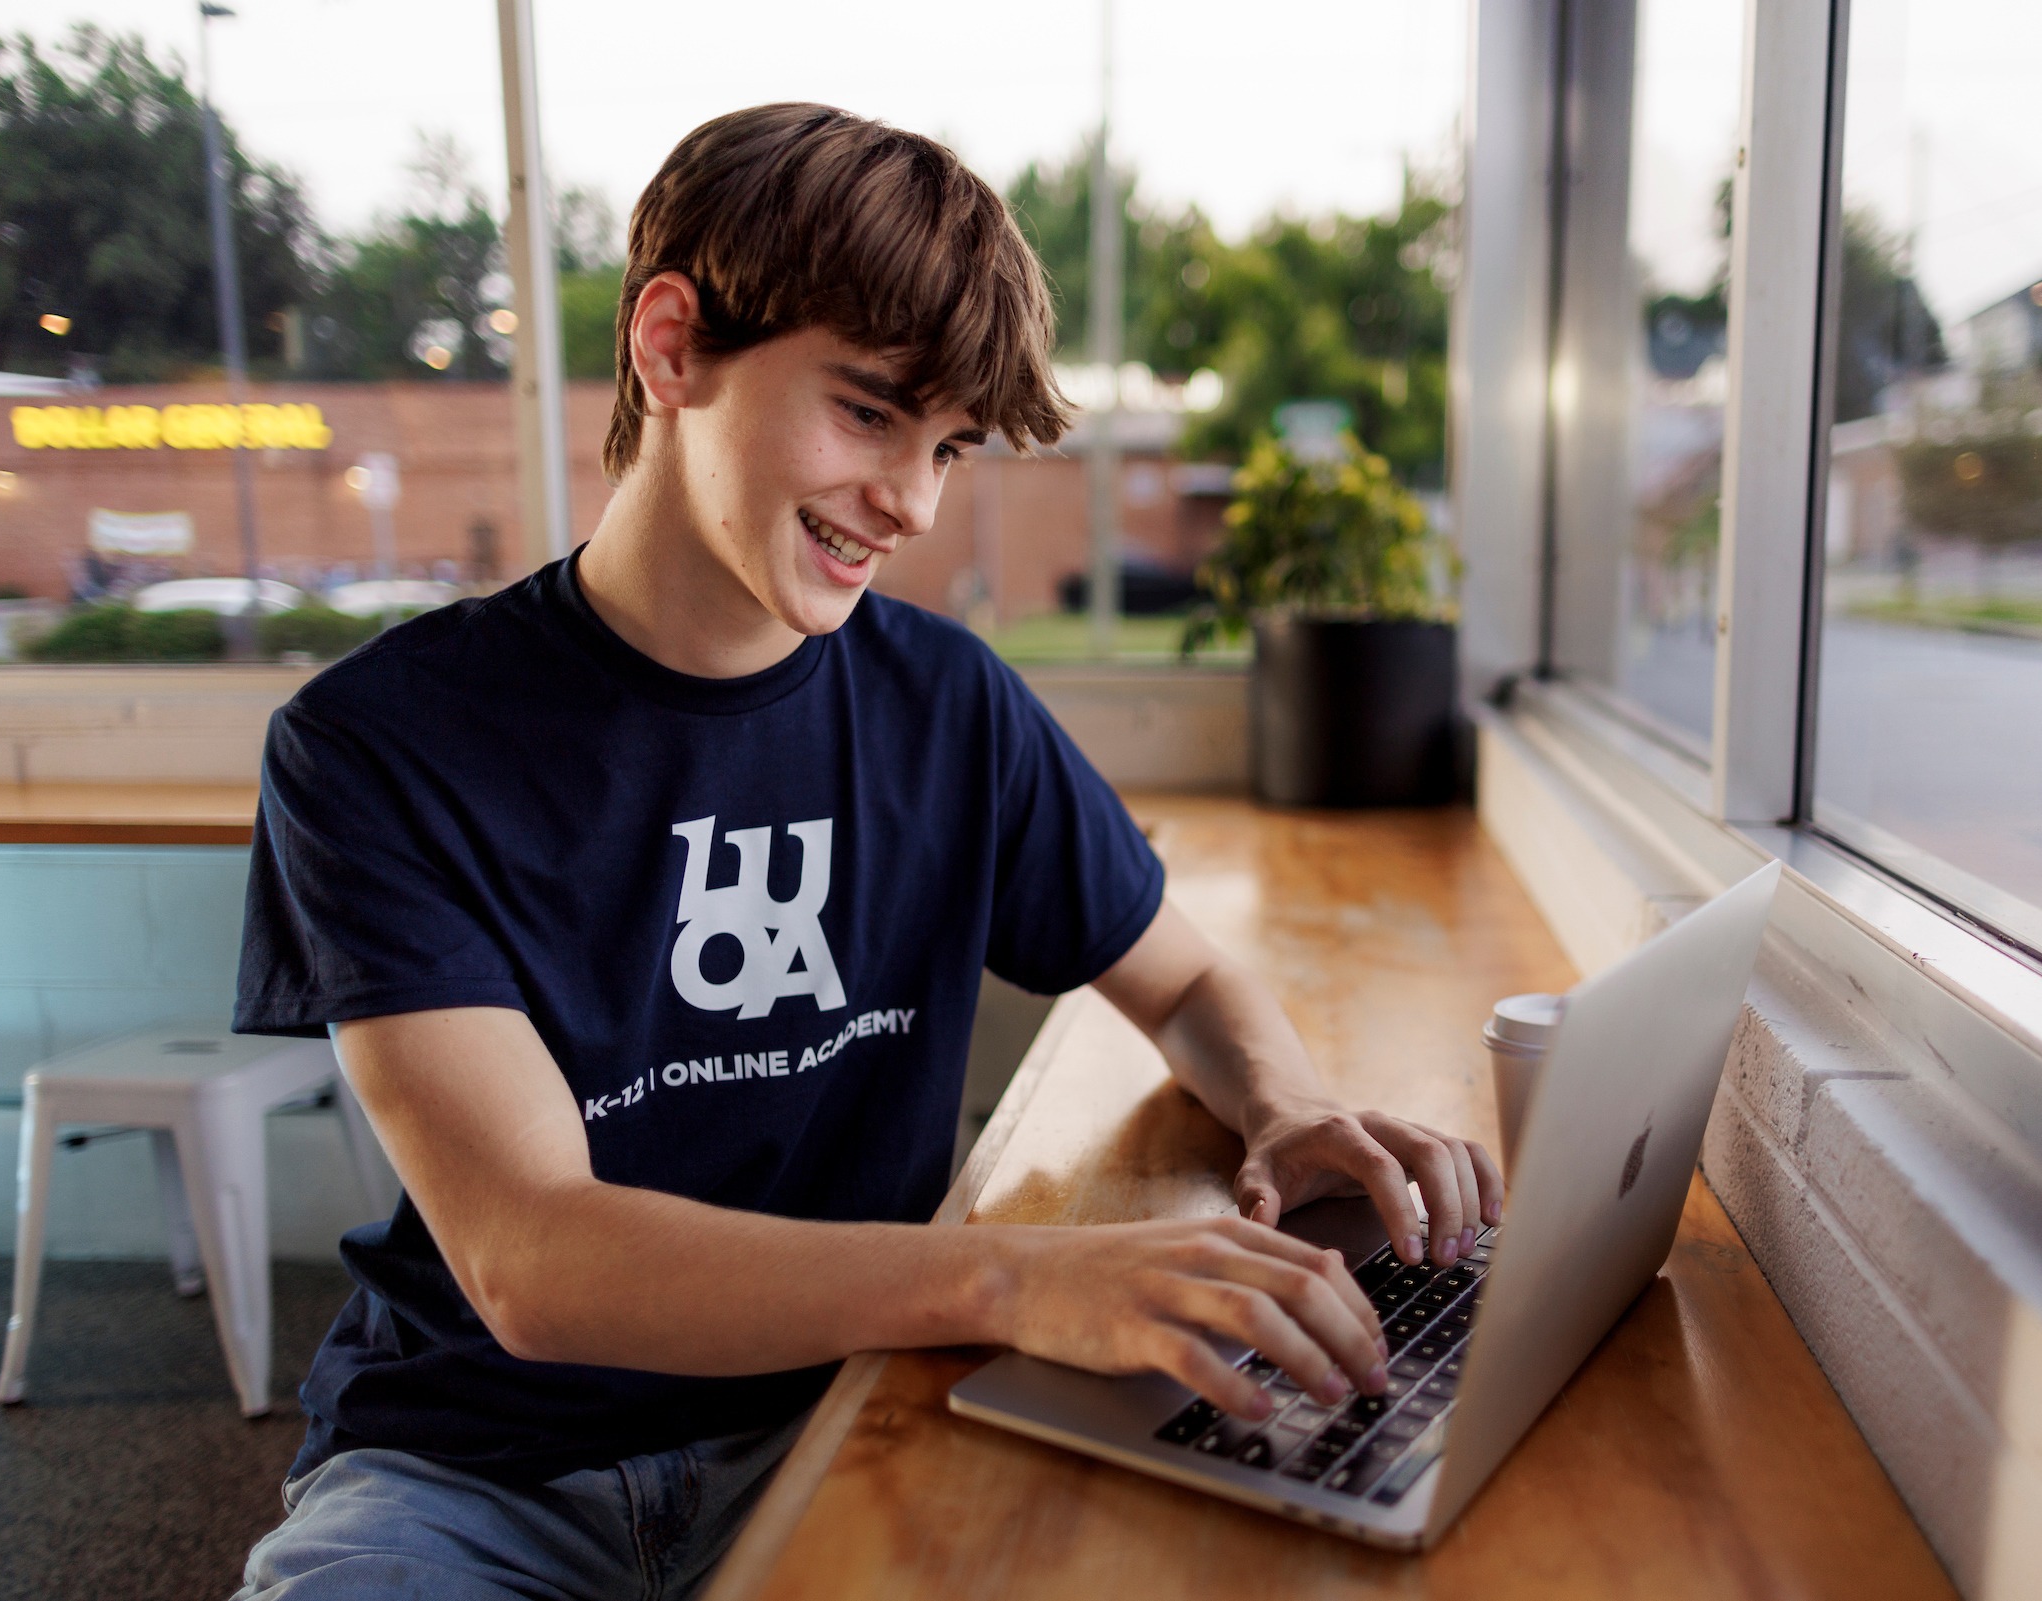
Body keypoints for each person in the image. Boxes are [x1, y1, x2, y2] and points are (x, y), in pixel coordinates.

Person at [230, 103, 1500, 1599]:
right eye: (869, 411)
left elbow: (1186, 978)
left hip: (845, 1409)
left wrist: (1286, 1109)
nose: (911, 502)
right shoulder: (375, 744)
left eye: (949, 445)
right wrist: (1016, 1278)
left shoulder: (949, 706)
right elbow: (535, 1258)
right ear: (669, 346)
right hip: (472, 1474)